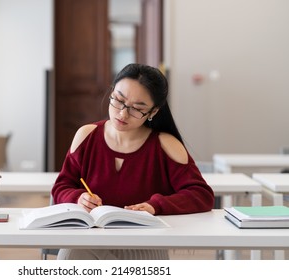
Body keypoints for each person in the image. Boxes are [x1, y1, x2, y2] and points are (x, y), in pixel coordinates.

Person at [51, 63, 215, 260]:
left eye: (137, 109)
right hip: (89, 240)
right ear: (111, 92)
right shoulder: (87, 135)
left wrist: (156, 205)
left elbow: (201, 195)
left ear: (153, 112)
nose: (122, 114)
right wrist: (78, 197)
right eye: (119, 100)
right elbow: (62, 186)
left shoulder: (165, 145)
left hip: (144, 244)